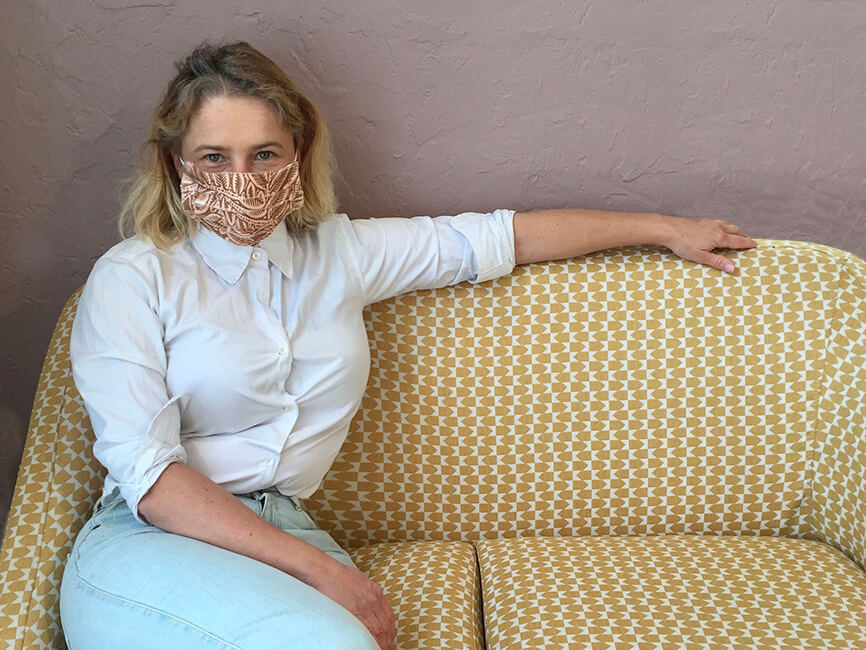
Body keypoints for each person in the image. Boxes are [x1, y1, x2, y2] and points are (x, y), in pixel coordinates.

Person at [58, 39, 757, 650]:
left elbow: (502, 238)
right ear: (178, 165)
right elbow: (151, 482)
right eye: (214, 156)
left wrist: (665, 228)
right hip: (151, 540)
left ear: (297, 155)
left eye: (263, 153)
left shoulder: (341, 255)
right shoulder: (133, 277)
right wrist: (323, 569)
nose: (240, 179)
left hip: (281, 528)